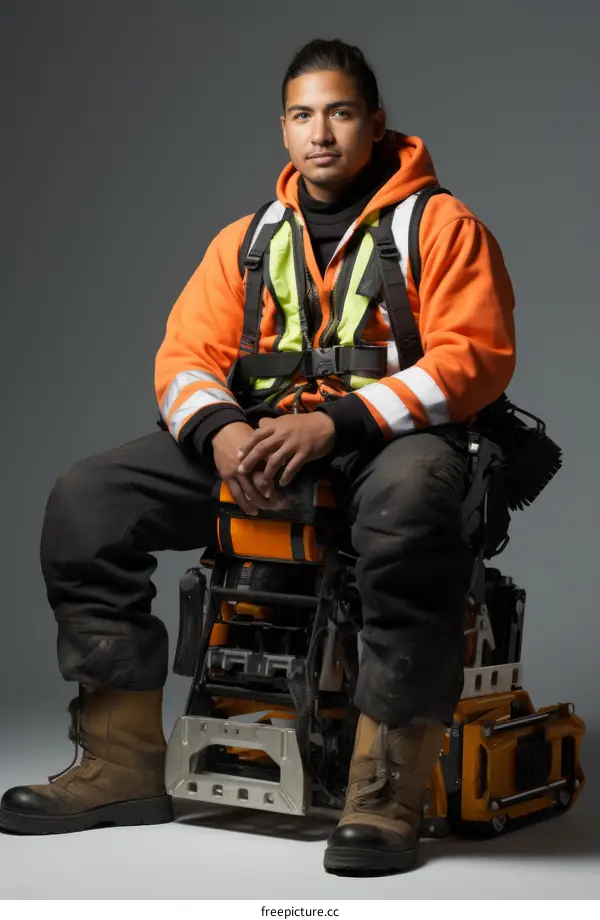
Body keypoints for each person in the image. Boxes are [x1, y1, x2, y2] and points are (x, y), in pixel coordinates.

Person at [0, 39, 516, 875]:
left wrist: (340, 425)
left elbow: (474, 358)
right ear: (283, 129)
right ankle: (120, 763)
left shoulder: (442, 227)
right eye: (305, 116)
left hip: (386, 445)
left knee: (414, 506)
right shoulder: (246, 240)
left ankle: (382, 795)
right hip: (258, 444)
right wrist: (224, 433)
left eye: (341, 113)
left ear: (375, 123)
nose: (323, 134)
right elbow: (184, 360)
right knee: (88, 499)